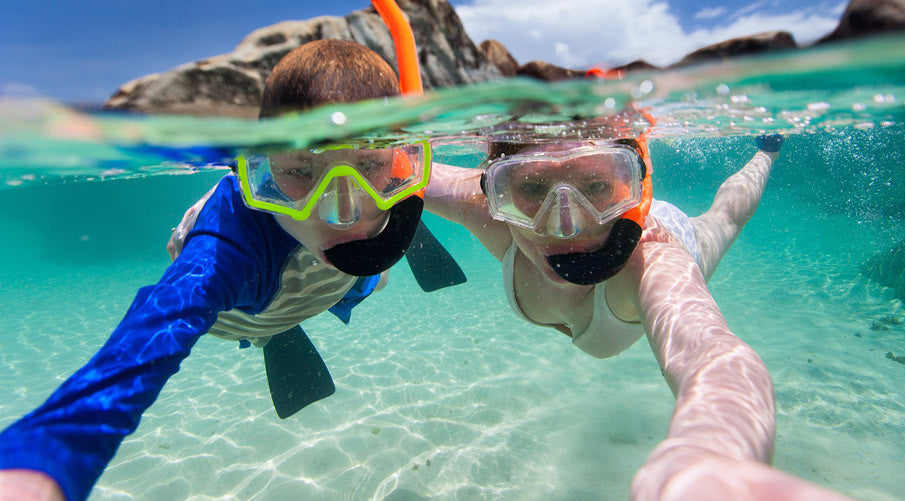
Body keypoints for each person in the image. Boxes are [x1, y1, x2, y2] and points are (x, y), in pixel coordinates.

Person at [0, 39, 437, 501]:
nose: (340, 213)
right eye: (301, 172)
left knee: (369, 276)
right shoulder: (230, 247)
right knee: (290, 295)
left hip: (331, 283)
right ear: (260, 163)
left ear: (397, 159)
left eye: (368, 164)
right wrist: (44, 461)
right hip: (242, 312)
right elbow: (152, 331)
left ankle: (316, 300)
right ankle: (272, 334)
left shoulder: (390, 190)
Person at [424, 122, 853, 500]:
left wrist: (710, 455)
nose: (565, 226)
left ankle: (767, 151)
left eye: (595, 186)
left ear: (635, 184)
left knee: (726, 217)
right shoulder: (485, 210)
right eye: (533, 189)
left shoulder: (655, 264)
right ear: (495, 190)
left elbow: (712, 353)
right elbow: (395, 169)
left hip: (669, 235)